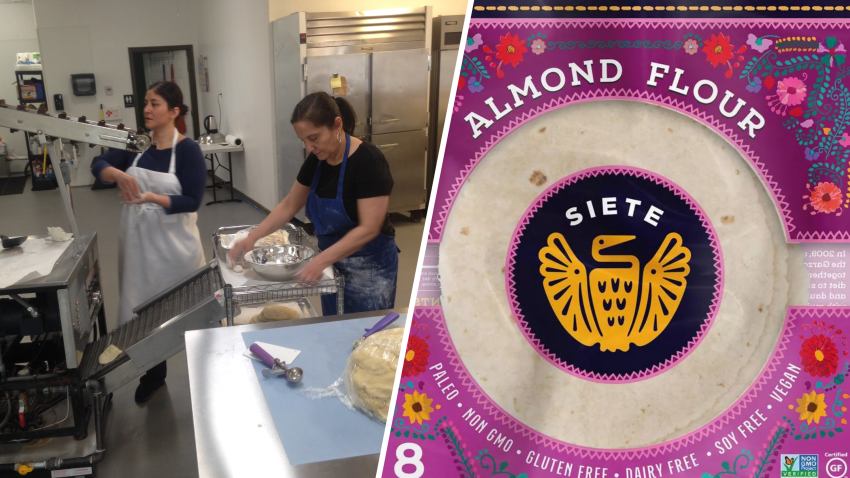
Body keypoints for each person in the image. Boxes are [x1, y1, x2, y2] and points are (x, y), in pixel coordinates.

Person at [229, 92, 398, 314]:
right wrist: (252, 237)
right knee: (334, 328)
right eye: (303, 140)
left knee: (366, 334)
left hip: (369, 270)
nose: (309, 147)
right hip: (332, 265)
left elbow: (369, 228)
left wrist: (320, 261)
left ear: (337, 125)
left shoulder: (368, 162)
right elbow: (290, 204)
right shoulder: (317, 161)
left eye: (314, 138)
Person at [91, 81, 206, 403]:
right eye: (145, 103)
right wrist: (118, 174)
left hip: (175, 248)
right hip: (140, 247)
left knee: (185, 315)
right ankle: (153, 375)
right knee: (141, 316)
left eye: (154, 103)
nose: (146, 109)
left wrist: (153, 197)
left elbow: (193, 200)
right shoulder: (136, 144)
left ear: (173, 111)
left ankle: (209, 374)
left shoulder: (187, 150)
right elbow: (97, 165)